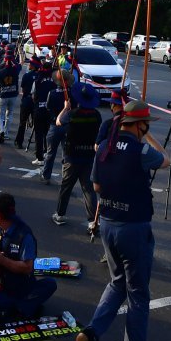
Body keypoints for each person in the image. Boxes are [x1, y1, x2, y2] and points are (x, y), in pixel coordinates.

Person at [76, 101, 169, 341]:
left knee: (117, 282)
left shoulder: (105, 146)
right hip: (134, 226)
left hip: (108, 222)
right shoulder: (141, 150)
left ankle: (92, 331)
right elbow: (165, 160)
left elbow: (96, 186)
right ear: (140, 124)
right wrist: (147, 136)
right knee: (138, 294)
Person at [0, 191, 56, 322]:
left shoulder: (24, 235)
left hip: (23, 287)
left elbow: (27, 267)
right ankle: (22, 307)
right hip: (2, 286)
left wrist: (3, 260)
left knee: (50, 284)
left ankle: (12, 308)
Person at [51, 83, 102, 231]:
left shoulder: (72, 114)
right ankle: (92, 221)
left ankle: (60, 215)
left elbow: (58, 122)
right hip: (88, 156)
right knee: (88, 189)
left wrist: (65, 107)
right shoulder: (96, 115)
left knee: (66, 186)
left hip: (72, 155)